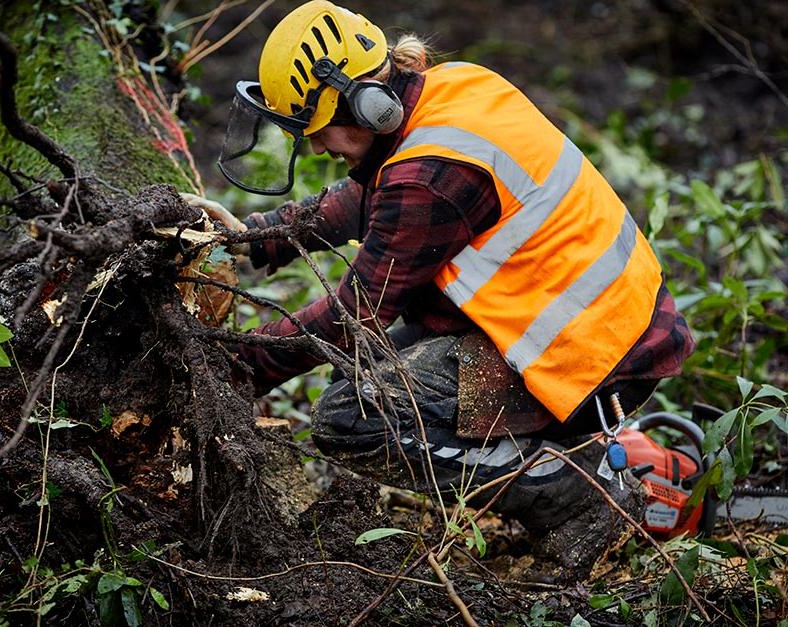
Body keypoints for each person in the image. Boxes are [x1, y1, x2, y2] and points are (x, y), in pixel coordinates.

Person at [186, 0, 695, 580]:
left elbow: (352, 317)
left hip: (590, 358)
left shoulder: (432, 175)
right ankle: (568, 462)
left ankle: (576, 497)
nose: (321, 147)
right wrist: (257, 236)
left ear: (365, 105)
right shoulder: (450, 91)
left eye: (320, 130)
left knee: (354, 415)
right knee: (369, 371)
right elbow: (370, 197)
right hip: (605, 326)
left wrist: (230, 365)